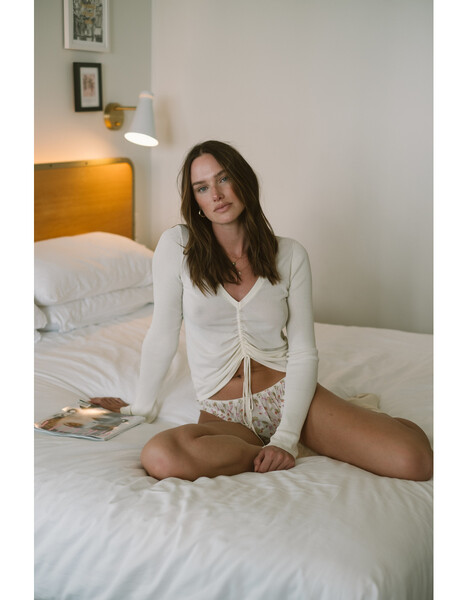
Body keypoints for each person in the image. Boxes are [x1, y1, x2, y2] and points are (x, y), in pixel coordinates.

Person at [91, 140, 433, 482]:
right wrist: (140, 407)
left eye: (224, 179)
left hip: (286, 395)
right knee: (161, 456)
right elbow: (162, 334)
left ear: (244, 181)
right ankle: (263, 453)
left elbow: (303, 350)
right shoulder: (178, 247)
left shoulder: (290, 255)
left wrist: (287, 437)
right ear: (195, 201)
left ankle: (304, 439)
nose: (216, 194)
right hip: (223, 413)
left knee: (415, 461)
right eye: (202, 188)